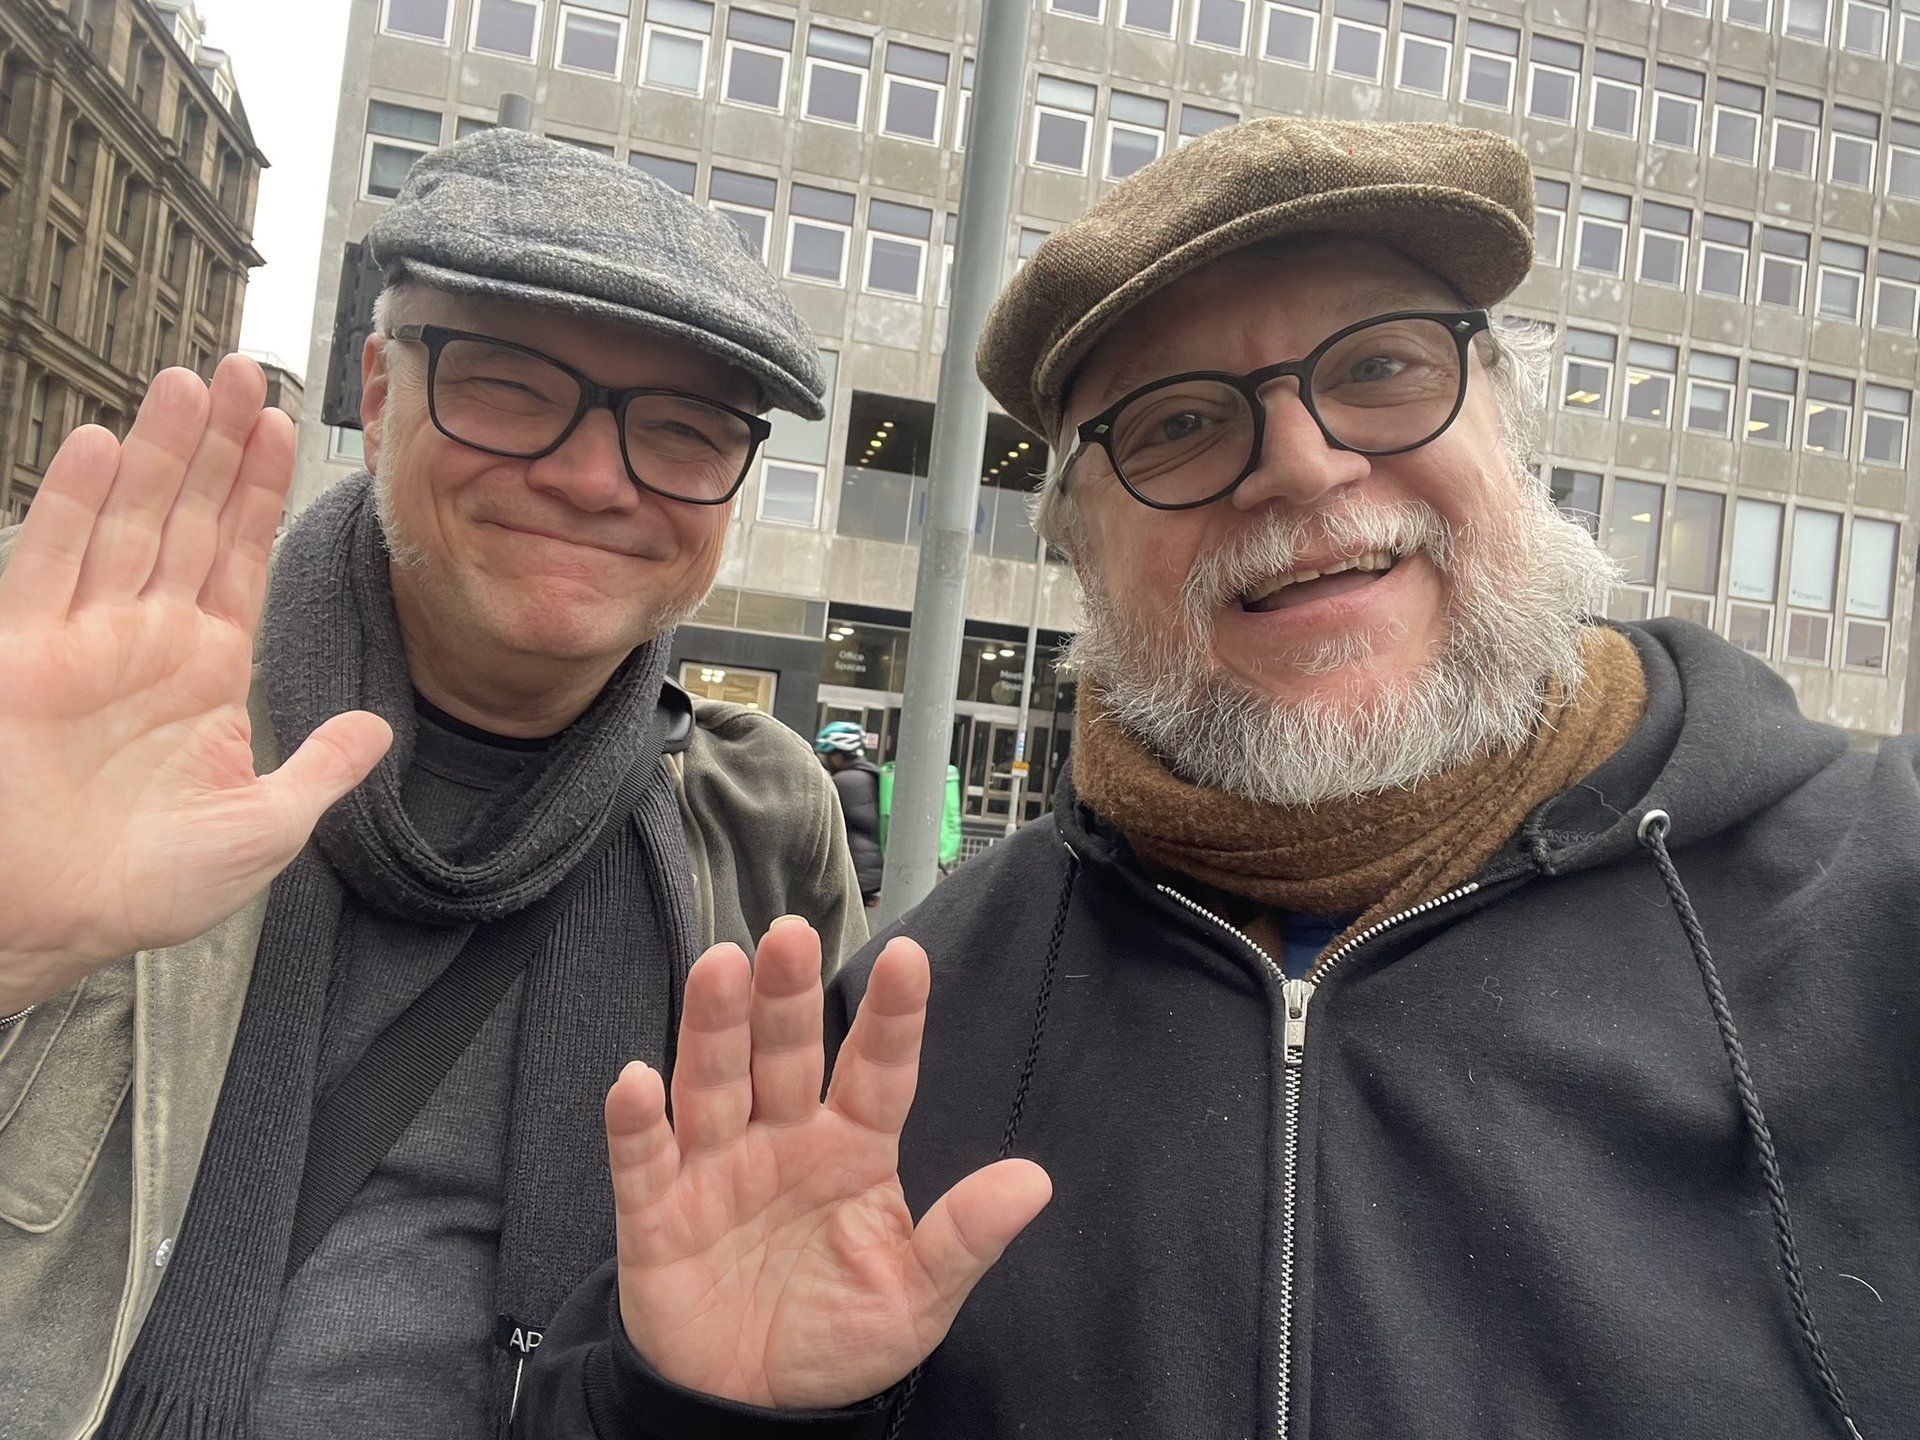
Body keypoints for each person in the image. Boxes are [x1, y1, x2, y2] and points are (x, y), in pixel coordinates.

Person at [524, 118, 1918, 1437]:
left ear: (1514, 426)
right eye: (1181, 425)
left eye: (1380, 368)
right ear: (1078, 546)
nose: (1304, 466)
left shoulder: (1879, 905)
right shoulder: (913, 1020)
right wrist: (706, 1413)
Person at [0, 129, 865, 1440]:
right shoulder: (77, 689)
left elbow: (790, 1271)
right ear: (379, 386)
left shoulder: (763, 816)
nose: (590, 476)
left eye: (684, 429)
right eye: (511, 384)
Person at [817, 721, 885, 906]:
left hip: (857, 874)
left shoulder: (844, 781)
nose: (826, 761)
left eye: (828, 756)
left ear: (839, 755)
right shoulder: (870, 774)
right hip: (871, 873)